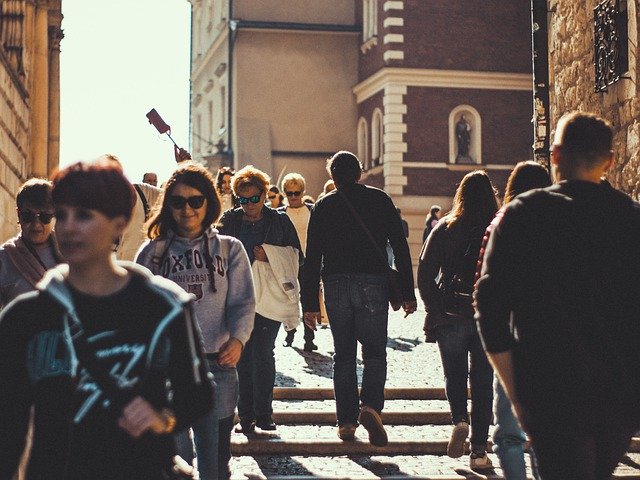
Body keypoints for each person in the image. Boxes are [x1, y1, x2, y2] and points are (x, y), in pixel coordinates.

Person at [0, 158, 215, 479]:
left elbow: (198, 395)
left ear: (118, 222)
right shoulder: (26, 316)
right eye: (63, 214)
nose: (69, 226)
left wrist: (164, 417)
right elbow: (9, 425)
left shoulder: (164, 307)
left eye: (84, 215)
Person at [475, 112, 640, 480]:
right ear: (610, 161)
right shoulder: (632, 220)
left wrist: (516, 393)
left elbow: (489, 307)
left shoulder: (521, 215)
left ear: (555, 156)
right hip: (619, 392)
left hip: (549, 389)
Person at [136, 161, 255, 479]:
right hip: (169, 372)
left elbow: (242, 301)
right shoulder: (152, 253)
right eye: (178, 201)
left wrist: (238, 339)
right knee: (180, 460)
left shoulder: (230, 249)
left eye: (195, 200)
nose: (187, 209)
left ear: (208, 203)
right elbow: (138, 312)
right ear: (168, 205)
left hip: (219, 364)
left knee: (216, 459)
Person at [302, 151, 417, 447]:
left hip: (336, 282)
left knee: (343, 355)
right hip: (373, 283)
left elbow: (312, 257)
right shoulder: (379, 199)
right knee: (375, 352)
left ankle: (346, 423)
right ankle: (371, 407)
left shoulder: (324, 205)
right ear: (359, 173)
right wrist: (407, 291)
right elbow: (400, 246)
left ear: (333, 177)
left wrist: (310, 304)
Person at [418, 170, 499, 470]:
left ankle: (459, 420)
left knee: (454, 375)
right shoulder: (497, 228)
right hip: (486, 316)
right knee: (483, 381)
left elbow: (425, 273)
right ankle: (478, 450)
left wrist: (436, 307)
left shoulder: (446, 227)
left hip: (450, 315)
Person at [218, 165, 302, 434]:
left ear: (265, 195)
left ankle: (264, 414)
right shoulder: (229, 220)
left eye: (255, 198)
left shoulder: (279, 221)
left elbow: (297, 256)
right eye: (244, 199)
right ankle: (245, 416)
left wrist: (270, 254)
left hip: (269, 298)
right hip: (238, 298)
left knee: (264, 352)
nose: (250, 204)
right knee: (242, 356)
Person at [480, 161, 550, 479]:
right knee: (548, 434)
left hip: (512, 337)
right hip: (556, 340)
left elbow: (485, 285)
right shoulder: (564, 223)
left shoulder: (502, 222)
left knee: (508, 436)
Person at [0, 178, 63, 308]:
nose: (36, 225)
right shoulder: (4, 258)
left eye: (45, 217)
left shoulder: (71, 255)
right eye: (28, 216)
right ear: (18, 214)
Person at [100, 154, 162, 262]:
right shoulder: (94, 206)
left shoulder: (143, 192)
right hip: (106, 273)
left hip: (139, 271)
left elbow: (173, 194)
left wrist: (184, 165)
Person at [279, 172, 317, 352]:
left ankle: (309, 338)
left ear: (303, 192)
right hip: (288, 263)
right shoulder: (279, 214)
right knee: (289, 300)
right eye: (289, 193)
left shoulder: (313, 210)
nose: (293, 197)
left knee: (309, 300)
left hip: (310, 262)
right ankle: (290, 333)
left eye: (297, 192)